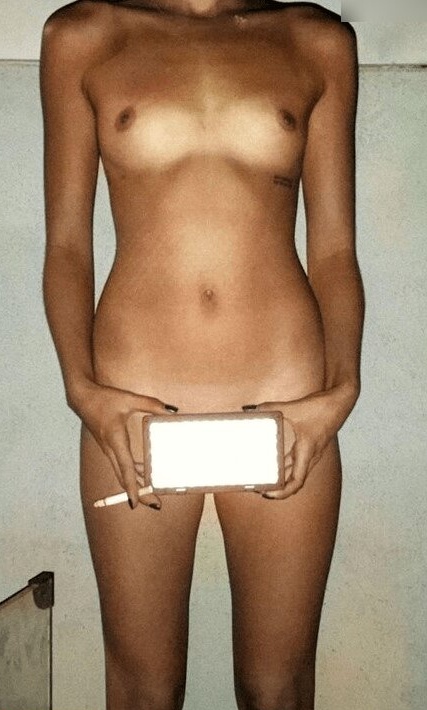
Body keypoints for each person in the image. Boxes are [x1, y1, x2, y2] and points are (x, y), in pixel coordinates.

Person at [40, 0, 364, 708]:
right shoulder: (84, 36)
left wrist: (340, 390)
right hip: (132, 398)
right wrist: (81, 388)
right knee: (143, 689)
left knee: (277, 689)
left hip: (288, 395)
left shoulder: (316, 41)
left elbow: (335, 250)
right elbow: (66, 245)